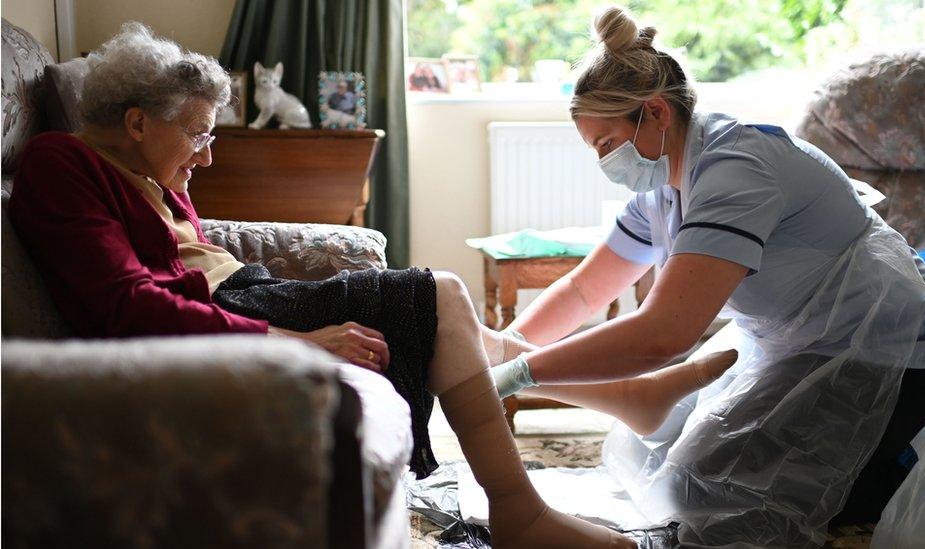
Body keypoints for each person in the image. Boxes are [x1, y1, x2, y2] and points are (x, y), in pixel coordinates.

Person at [9, 22, 739, 548]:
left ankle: (625, 402)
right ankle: (522, 505)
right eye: (199, 133)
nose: (206, 155)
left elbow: (192, 254)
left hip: (244, 293)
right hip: (230, 311)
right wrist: (297, 341)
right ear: (135, 122)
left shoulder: (146, 168)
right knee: (443, 295)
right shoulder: (58, 164)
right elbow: (126, 302)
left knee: (452, 319)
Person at [486, 5, 925, 547]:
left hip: (894, 355)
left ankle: (891, 471)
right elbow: (582, 289)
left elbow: (665, 333)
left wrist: (522, 373)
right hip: (803, 342)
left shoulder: (736, 168)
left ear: (656, 113)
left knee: (703, 491)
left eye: (605, 144)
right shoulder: (664, 187)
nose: (604, 161)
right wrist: (506, 348)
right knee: (654, 453)